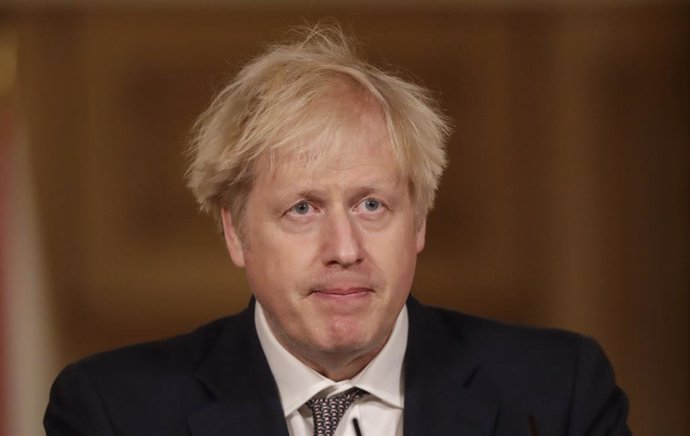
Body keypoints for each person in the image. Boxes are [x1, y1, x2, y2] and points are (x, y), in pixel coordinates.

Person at [44, 24, 631, 436]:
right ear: (234, 230)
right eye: (302, 209)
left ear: (419, 221)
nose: (345, 249)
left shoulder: (558, 393)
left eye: (372, 205)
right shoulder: (113, 412)